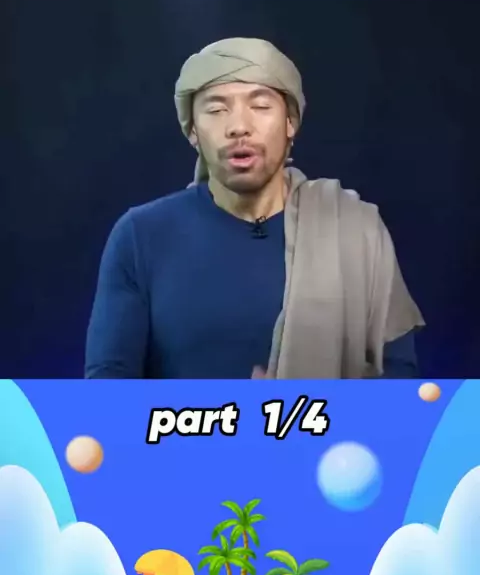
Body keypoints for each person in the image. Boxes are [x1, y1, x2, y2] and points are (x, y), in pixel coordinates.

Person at [85, 37, 424, 380]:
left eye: (261, 106)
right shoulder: (142, 236)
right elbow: (107, 385)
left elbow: (399, 381)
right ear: (193, 131)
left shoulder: (353, 230)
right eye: (216, 110)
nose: (239, 127)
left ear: (290, 122)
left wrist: (294, 410)